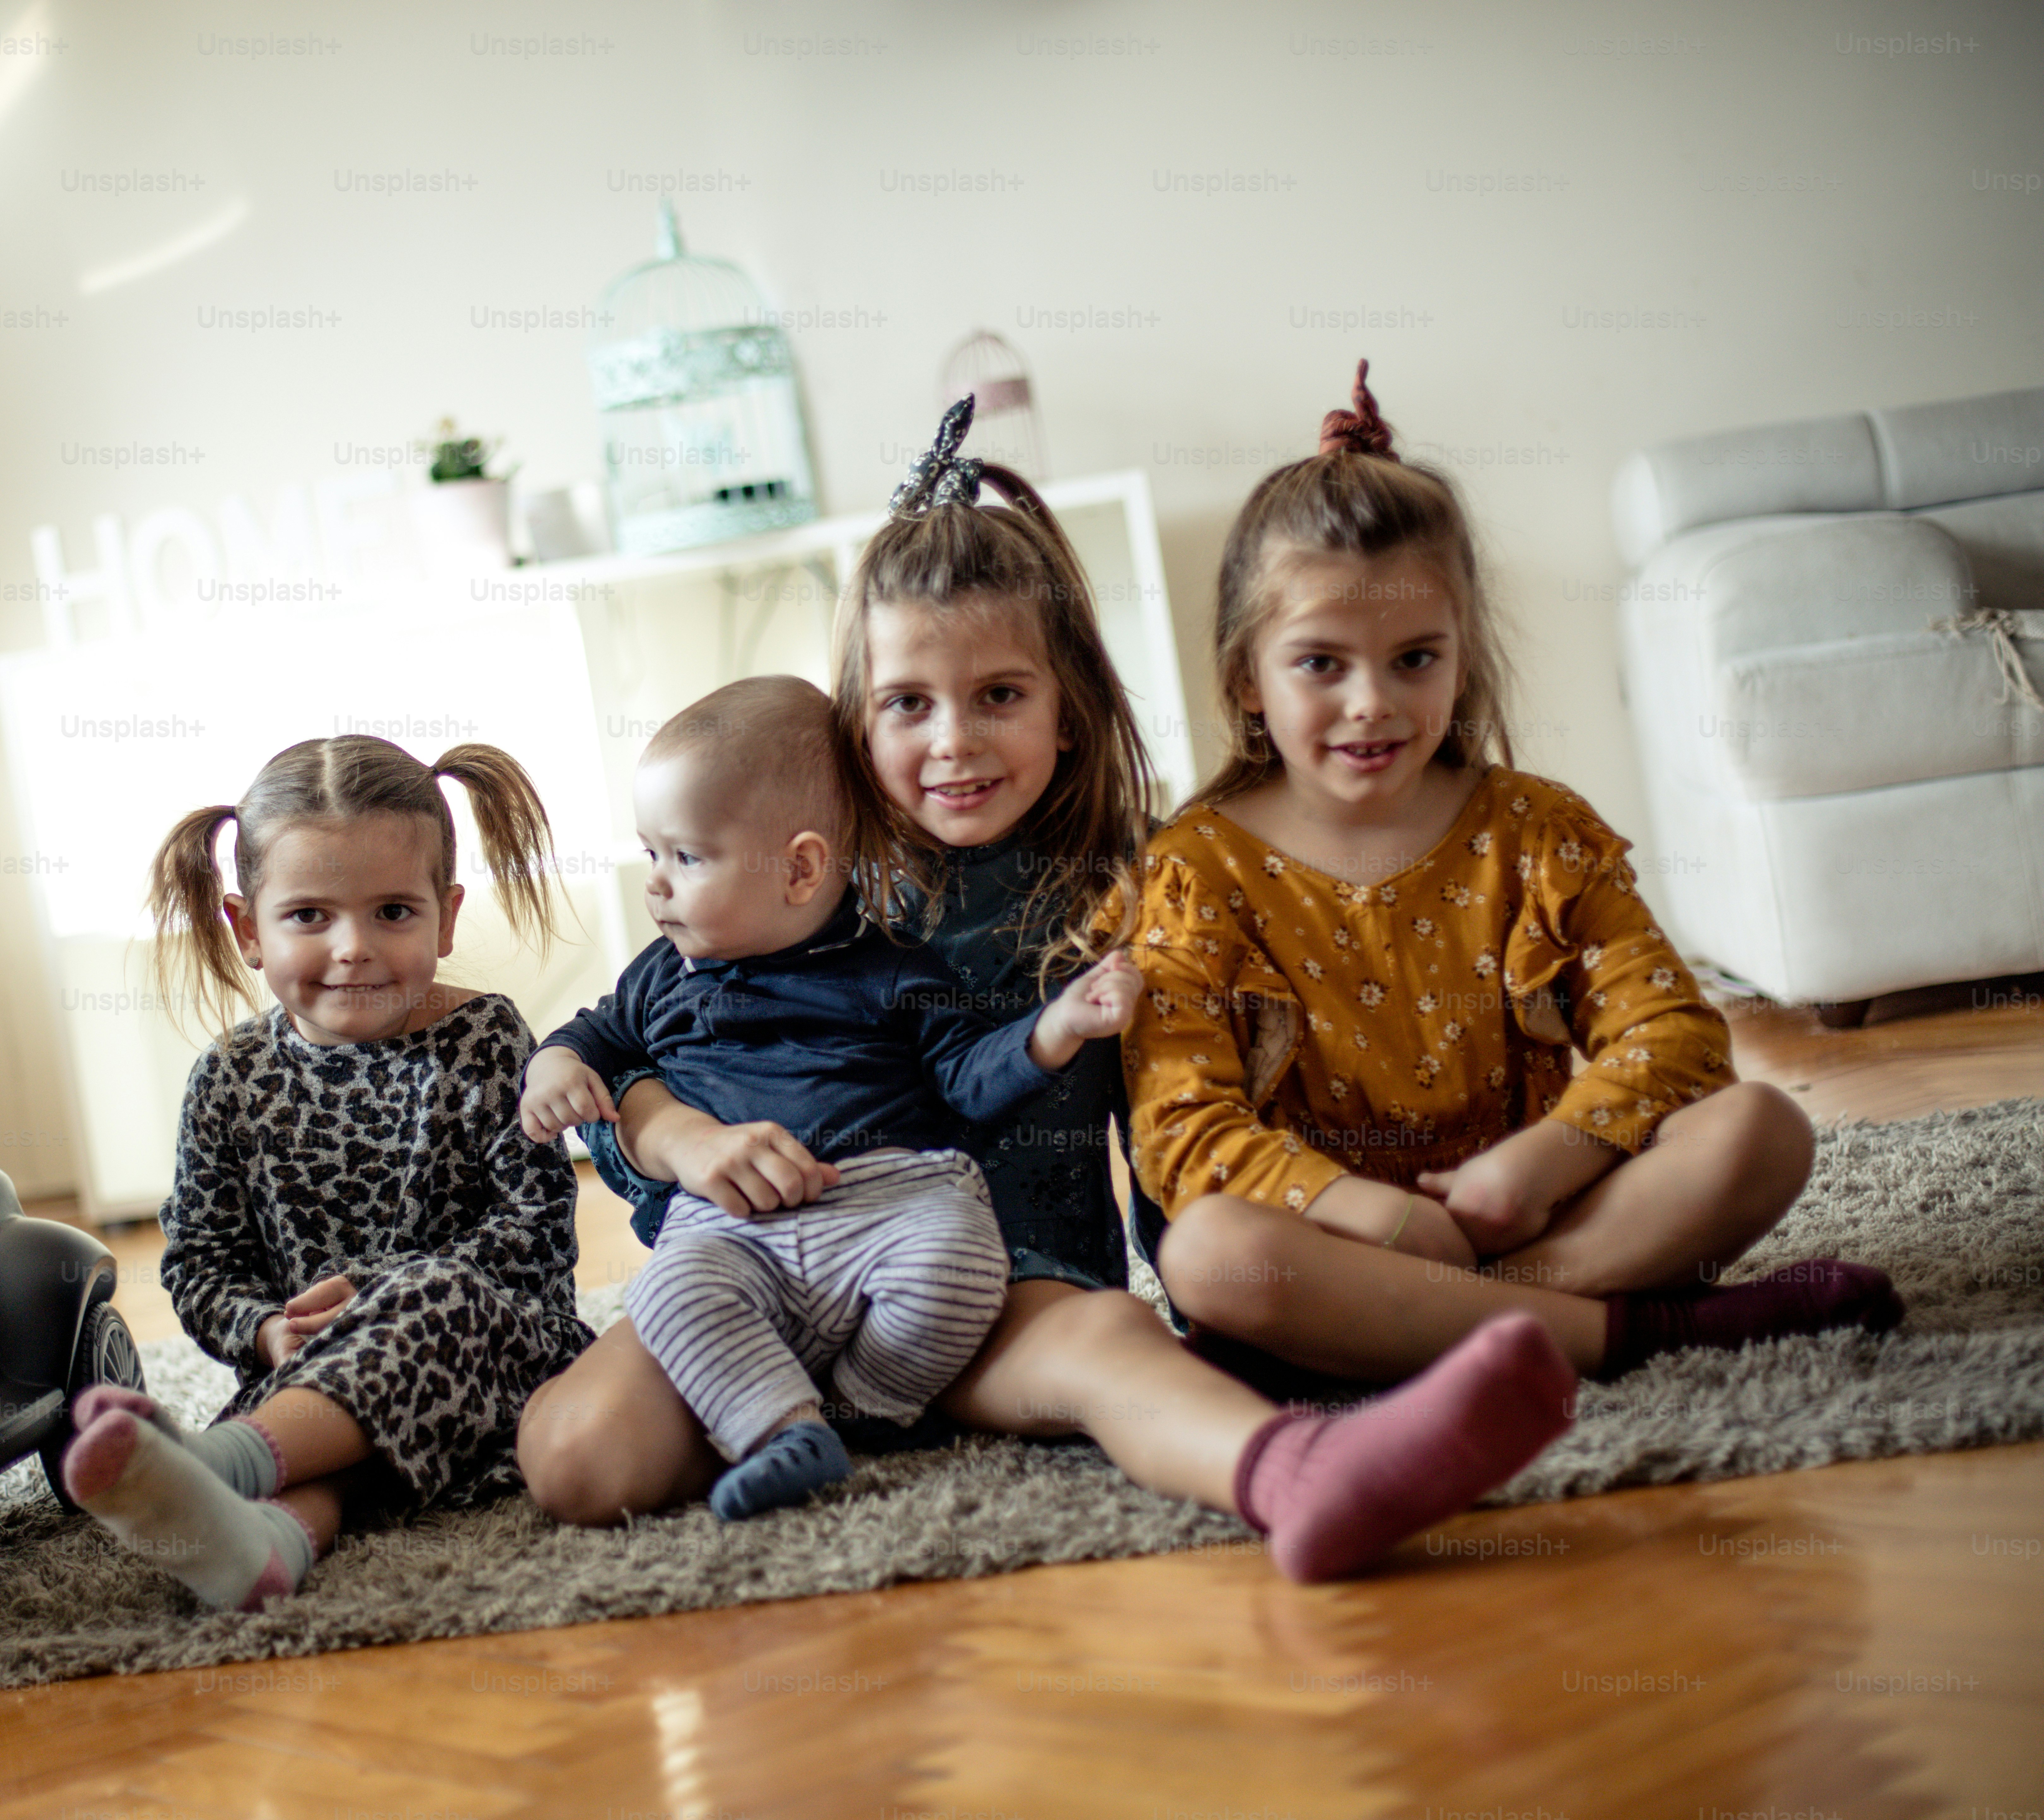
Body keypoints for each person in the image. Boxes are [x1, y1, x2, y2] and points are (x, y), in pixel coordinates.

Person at [518, 399, 1580, 1582]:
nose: (954, 742)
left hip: (990, 1301)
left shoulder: (1130, 890)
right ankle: (791, 1419)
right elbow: (629, 1059)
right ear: (852, 719)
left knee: (1110, 1344)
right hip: (742, 1291)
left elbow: (1181, 1123)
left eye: (1001, 696)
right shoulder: (792, 875)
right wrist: (679, 1137)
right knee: (575, 1456)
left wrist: (1230, 1298)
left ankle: (1301, 1477)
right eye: (907, 704)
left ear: (1068, 706)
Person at [1130, 360, 1902, 1383]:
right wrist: (1381, 1221)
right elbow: (1184, 1129)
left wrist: (1547, 1161)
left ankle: (1417, 1336)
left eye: (1415, 659)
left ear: (1464, 655)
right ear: (1246, 677)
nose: (1373, 702)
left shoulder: (1536, 830)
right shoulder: (1194, 868)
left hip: (1523, 1215)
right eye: (1321, 663)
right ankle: (1626, 1334)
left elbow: (1670, 1032)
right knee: (1208, 1257)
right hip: (1327, 1246)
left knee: (1760, 1130)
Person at [520, 675, 1139, 1520]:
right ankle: (777, 1428)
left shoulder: (894, 968)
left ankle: (858, 1411)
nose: (655, 886)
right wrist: (553, 1063)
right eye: (650, 853)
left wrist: (1056, 1026)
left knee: (963, 1260)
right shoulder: (661, 976)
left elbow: (967, 1083)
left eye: (686, 856)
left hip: (885, 1206)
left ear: (802, 867)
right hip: (729, 1229)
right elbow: (594, 1035)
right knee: (667, 1292)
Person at [57, 735, 588, 1610]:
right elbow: (199, 1264)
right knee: (322, 1429)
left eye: (392, 912)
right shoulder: (230, 1080)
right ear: (246, 929)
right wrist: (264, 1330)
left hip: (496, 1367)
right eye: (309, 916)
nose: (353, 948)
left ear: (446, 916)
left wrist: (381, 1290)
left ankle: (220, 1463)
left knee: (429, 1299)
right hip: (307, 1392)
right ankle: (266, 1548)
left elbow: (533, 1237)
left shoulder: (487, 1041)